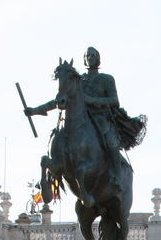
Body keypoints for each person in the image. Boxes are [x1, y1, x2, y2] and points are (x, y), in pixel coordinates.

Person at [26, 47, 142, 193]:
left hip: (100, 117)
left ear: (98, 58)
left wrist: (92, 100)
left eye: (92, 55)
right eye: (87, 56)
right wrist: (35, 110)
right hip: (80, 118)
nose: (90, 58)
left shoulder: (106, 79)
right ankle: (51, 176)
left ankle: (117, 177)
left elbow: (114, 101)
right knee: (56, 137)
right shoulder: (78, 81)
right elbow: (59, 99)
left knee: (111, 142)